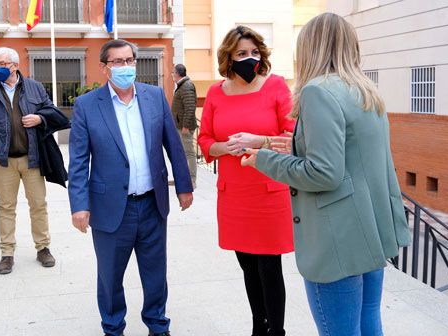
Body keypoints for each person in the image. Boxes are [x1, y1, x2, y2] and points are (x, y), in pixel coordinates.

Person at [241, 13, 411, 336]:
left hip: (338, 241)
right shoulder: (365, 90)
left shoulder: (318, 92)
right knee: (369, 324)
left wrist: (265, 160)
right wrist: (295, 152)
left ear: (310, 48)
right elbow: (354, 160)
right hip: (371, 233)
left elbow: (324, 174)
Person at [68, 39, 194, 336]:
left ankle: (157, 324)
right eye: (118, 62)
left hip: (152, 205)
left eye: (129, 61)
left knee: (155, 272)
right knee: (110, 276)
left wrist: (184, 186)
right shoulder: (87, 105)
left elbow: (173, 145)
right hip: (110, 208)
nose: (126, 67)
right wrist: (79, 205)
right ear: (104, 67)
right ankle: (113, 327)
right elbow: (77, 161)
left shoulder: (153, 97)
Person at [197, 26, 295, 336]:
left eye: (254, 53)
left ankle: (275, 331)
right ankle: (258, 326)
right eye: (242, 54)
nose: (249, 59)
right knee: (248, 267)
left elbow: (292, 137)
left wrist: (260, 141)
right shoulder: (215, 93)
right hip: (234, 194)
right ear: (229, 57)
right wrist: (226, 147)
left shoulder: (277, 87)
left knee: (269, 267)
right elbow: (205, 140)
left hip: (268, 192)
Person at [0, 47, 69, 274]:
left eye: (2, 64)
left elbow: (54, 113)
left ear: (15, 64)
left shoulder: (35, 87)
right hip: (3, 161)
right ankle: (7, 253)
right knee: (6, 207)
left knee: (38, 205)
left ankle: (43, 248)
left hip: (32, 158)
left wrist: (40, 118)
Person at [170, 64, 198, 188]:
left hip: (184, 127)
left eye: (172, 73)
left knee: (189, 153)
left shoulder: (186, 86)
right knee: (182, 153)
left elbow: (190, 107)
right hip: (180, 126)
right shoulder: (182, 85)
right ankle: (182, 179)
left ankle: (192, 180)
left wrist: (185, 125)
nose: (171, 75)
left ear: (176, 73)